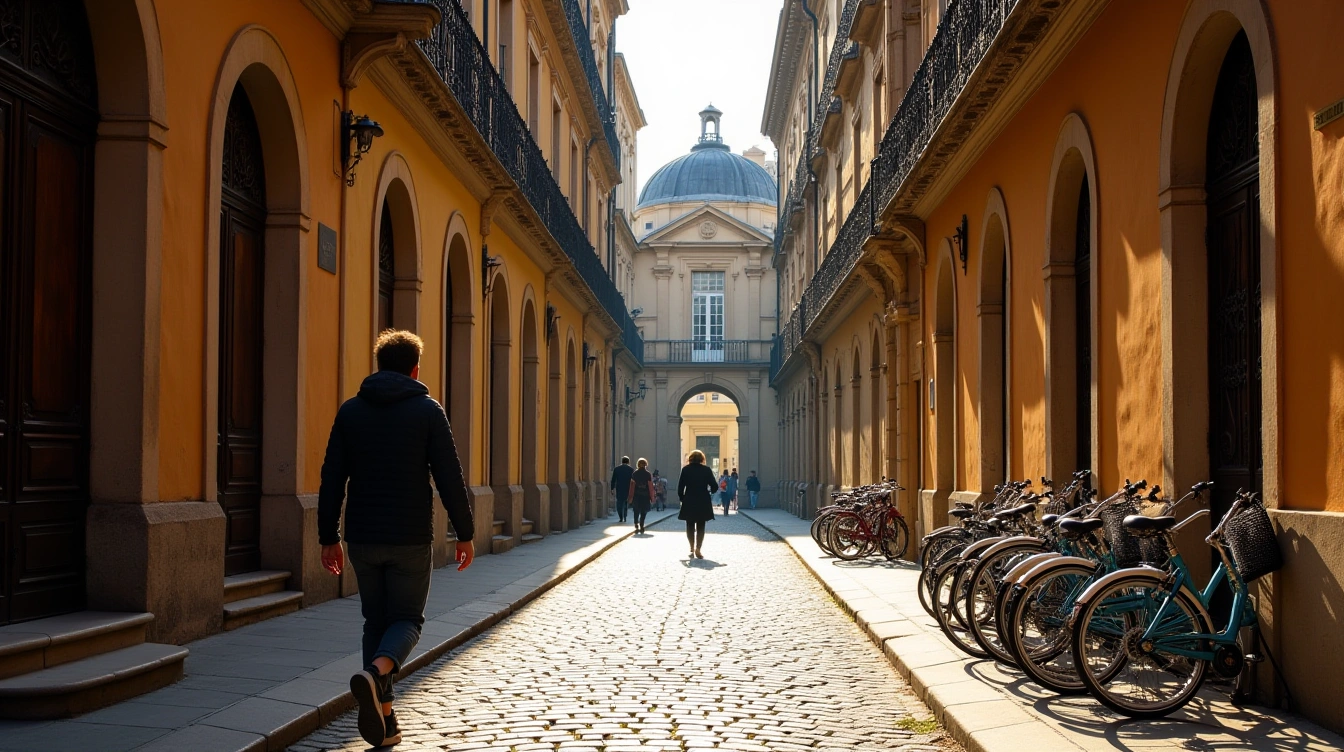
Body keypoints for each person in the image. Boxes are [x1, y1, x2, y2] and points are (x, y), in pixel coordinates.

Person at [318, 330, 475, 749]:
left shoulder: (351, 411)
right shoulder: (428, 411)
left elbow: (332, 475)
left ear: (379, 365)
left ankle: (386, 722)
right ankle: (376, 673)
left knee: (375, 621)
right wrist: (465, 532)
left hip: (363, 536)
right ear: (415, 369)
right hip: (408, 536)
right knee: (407, 620)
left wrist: (327, 536)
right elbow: (449, 476)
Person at [678, 450, 718, 558]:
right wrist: (710, 492)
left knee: (689, 524)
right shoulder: (706, 470)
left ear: (690, 459)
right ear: (702, 459)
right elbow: (715, 486)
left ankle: (691, 546)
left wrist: (682, 498)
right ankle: (698, 548)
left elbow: (680, 487)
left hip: (689, 499)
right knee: (701, 525)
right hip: (703, 500)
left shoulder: (685, 470)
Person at [628, 458, 655, 534]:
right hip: (645, 495)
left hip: (636, 495)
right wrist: (652, 496)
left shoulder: (635, 474)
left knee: (636, 510)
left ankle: (636, 523)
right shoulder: (648, 474)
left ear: (638, 464)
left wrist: (630, 496)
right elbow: (650, 486)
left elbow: (632, 486)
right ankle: (642, 524)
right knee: (644, 511)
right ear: (646, 465)